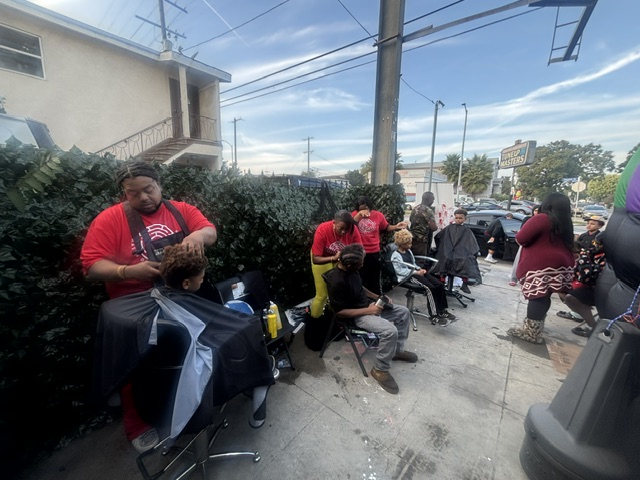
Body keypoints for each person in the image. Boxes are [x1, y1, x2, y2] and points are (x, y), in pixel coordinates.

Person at [81, 159, 217, 453]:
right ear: (124, 193)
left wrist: (197, 235)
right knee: (135, 363)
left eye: (149, 189)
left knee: (188, 353)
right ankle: (136, 424)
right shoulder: (109, 220)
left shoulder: (181, 210)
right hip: (135, 305)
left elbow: (210, 230)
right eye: (133, 193)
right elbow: (91, 265)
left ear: (159, 185)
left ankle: (189, 402)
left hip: (180, 299)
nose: (143, 197)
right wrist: (127, 271)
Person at [323, 244, 417, 394]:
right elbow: (340, 313)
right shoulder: (337, 282)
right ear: (350, 265)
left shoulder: (351, 269)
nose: (362, 265)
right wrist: (368, 310)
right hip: (356, 316)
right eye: (360, 264)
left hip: (367, 306)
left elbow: (360, 287)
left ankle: (396, 351)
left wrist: (378, 297)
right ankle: (380, 369)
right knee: (390, 331)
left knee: (404, 312)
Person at [507, 193, 575, 344]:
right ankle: (537, 328)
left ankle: (532, 333)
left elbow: (521, 238)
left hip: (540, 264)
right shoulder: (565, 221)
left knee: (537, 296)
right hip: (562, 263)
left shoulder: (542, 218)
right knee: (546, 295)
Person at [391, 229, 456, 326]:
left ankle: (442, 310)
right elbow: (400, 271)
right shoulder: (396, 256)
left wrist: (419, 269)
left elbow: (412, 263)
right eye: (408, 244)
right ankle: (434, 315)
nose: (410, 245)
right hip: (408, 276)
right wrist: (416, 272)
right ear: (401, 244)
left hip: (416, 272)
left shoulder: (408, 251)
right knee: (430, 288)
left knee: (439, 285)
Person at [309, 210, 362, 319]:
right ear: (334, 223)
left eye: (346, 229)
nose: (343, 232)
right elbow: (316, 259)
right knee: (322, 294)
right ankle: (314, 320)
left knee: (337, 292)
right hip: (322, 257)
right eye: (340, 228)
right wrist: (333, 258)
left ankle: (334, 318)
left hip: (341, 259)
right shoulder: (323, 229)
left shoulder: (353, 230)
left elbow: (359, 250)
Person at [352, 196, 407, 295]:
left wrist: (396, 227)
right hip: (359, 252)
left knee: (374, 278)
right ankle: (360, 298)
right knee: (358, 277)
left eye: (366, 208)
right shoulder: (354, 215)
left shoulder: (378, 215)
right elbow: (350, 227)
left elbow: (386, 227)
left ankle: (375, 298)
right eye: (361, 209)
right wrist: (358, 215)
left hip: (373, 252)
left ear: (370, 206)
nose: (364, 211)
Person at [433, 209, 481, 294]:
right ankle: (442, 282)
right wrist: (442, 248)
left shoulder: (467, 231)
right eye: (456, 218)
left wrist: (473, 252)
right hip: (447, 253)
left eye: (460, 218)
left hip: (460, 254)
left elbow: (473, 245)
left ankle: (464, 284)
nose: (458, 220)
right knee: (444, 259)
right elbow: (438, 237)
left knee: (467, 261)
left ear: (465, 219)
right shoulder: (448, 228)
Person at [509, 205, 540, 286]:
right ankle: (513, 278)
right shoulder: (528, 219)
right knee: (519, 260)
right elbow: (523, 231)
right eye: (535, 210)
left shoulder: (542, 221)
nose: (536, 212)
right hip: (526, 242)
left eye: (538, 211)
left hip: (537, 244)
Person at [409, 191, 437, 258]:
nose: (433, 201)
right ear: (429, 199)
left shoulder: (415, 208)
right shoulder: (428, 211)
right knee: (421, 260)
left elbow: (410, 220)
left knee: (413, 258)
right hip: (422, 241)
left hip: (412, 238)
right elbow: (434, 228)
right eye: (433, 199)